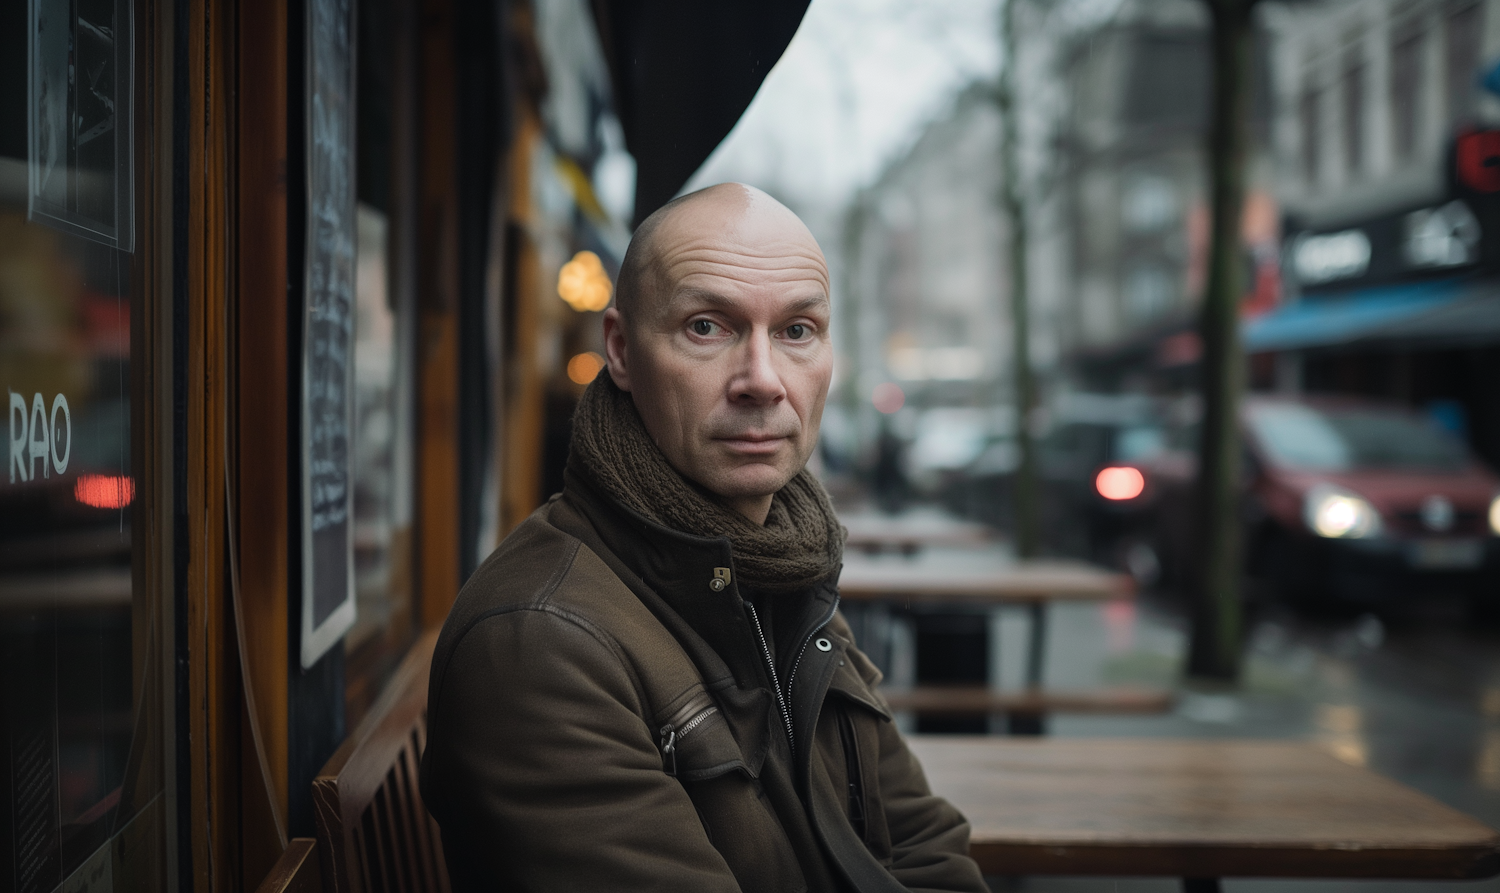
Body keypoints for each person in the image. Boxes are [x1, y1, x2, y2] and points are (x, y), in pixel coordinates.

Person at [421, 183, 987, 892]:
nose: (763, 380)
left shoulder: (779, 564)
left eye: (796, 330)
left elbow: (925, 842)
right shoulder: (543, 642)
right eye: (707, 327)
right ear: (622, 351)